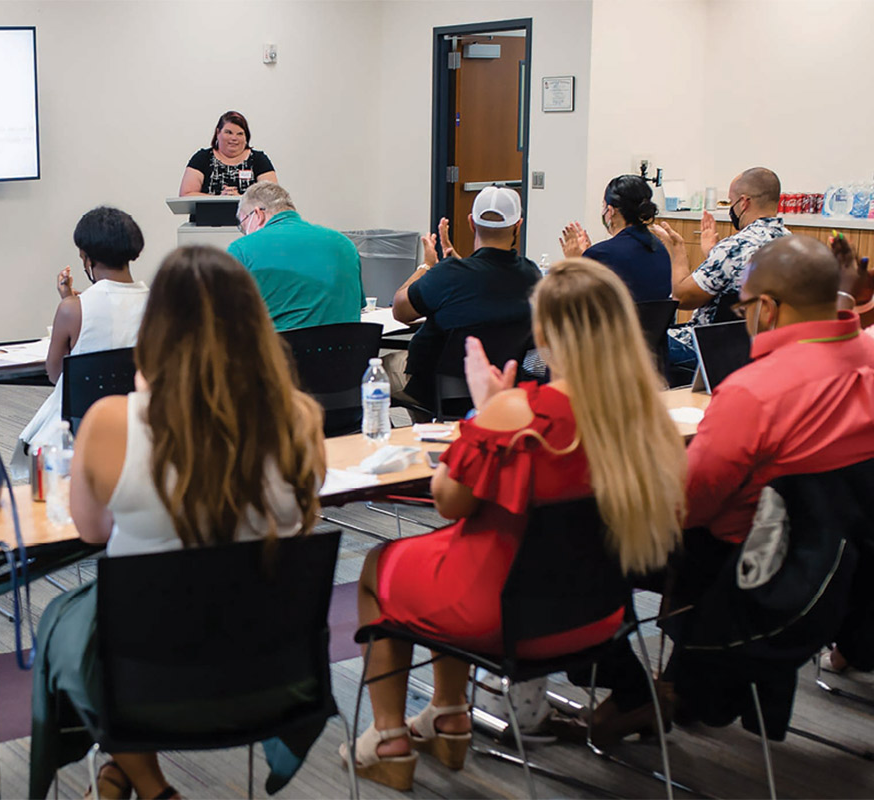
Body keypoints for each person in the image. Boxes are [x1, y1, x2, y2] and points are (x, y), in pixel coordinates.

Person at [340, 258, 686, 790]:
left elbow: (450, 501)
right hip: (597, 619)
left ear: (544, 332)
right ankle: (446, 715)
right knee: (445, 553)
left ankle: (389, 736)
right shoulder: (646, 420)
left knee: (382, 564)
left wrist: (484, 414)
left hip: (506, 618)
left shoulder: (520, 413)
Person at [29, 246, 327, 800]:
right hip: (267, 656)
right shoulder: (299, 417)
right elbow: (301, 528)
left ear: (157, 324)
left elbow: (92, 531)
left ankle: (149, 783)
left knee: (65, 625)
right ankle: (125, 774)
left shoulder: (113, 421)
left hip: (150, 667)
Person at [567, 235, 874, 742]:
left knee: (577, 537)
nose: (744, 313)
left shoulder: (757, 390)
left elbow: (686, 507)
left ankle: (636, 692)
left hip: (745, 562)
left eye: (745, 305)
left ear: (770, 309)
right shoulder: (866, 356)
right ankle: (683, 679)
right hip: (827, 567)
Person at [384, 187, 540, 408]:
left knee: (375, 371)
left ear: (471, 223)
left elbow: (401, 311)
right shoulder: (532, 276)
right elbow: (487, 284)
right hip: (501, 389)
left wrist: (427, 265)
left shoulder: (450, 274)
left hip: (434, 389)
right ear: (518, 225)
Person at [17, 207, 149, 453]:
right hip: (140, 423)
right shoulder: (158, 302)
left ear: (88, 259)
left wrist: (69, 302)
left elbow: (57, 375)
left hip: (81, 429)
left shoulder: (72, 309)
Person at [655, 167, 789, 374]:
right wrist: (713, 254)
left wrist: (677, 251)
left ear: (744, 203)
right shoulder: (792, 244)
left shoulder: (735, 247)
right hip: (763, 348)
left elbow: (683, 298)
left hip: (709, 347)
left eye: (731, 202)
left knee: (642, 343)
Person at [226, 182, 363, 331]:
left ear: (258, 214)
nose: (244, 231)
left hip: (277, 353)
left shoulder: (242, 249)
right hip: (345, 352)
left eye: (243, 224)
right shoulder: (344, 244)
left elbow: (221, 315)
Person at [559, 174, 671, 302]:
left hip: (616, 322)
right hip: (654, 322)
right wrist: (588, 260)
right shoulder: (660, 248)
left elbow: (578, 303)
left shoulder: (601, 253)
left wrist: (575, 263)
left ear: (611, 211)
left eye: (603, 206)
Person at [178, 110, 277, 197]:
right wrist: (219, 199)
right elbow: (186, 194)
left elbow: (272, 196)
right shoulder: (202, 158)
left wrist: (241, 199)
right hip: (208, 217)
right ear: (218, 133)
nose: (234, 138)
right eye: (228, 132)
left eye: (240, 134)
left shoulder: (258, 159)